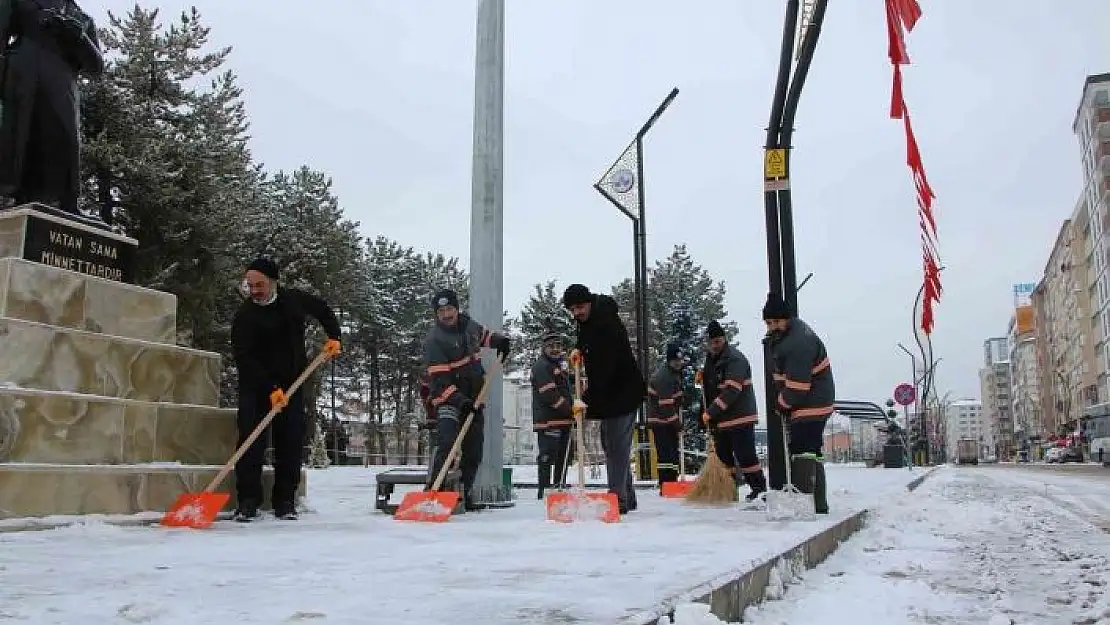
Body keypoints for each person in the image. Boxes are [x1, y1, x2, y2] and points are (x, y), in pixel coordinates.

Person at [231, 257, 341, 521]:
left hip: (293, 383)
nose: (255, 290)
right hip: (256, 387)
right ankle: (248, 501)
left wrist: (334, 336)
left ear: (273, 282)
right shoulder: (245, 316)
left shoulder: (293, 300)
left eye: (260, 284)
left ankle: (285, 502)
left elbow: (323, 309)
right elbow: (244, 357)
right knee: (250, 442)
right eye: (250, 285)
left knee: (290, 442)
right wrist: (270, 388)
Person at [0, 0, 106, 215]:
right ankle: (11, 195)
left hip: (63, 79)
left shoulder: (83, 18)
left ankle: (66, 201)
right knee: (20, 134)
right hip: (23, 71)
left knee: (67, 138)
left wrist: (79, 37)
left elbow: (96, 68)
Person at [422, 288, 511, 511]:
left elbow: (484, 336)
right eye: (441, 311)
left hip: (475, 396)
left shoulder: (468, 325)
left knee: (474, 448)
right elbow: (440, 382)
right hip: (448, 399)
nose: (446, 314)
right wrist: (461, 401)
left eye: (450, 308)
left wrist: (499, 341)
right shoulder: (434, 341)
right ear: (436, 314)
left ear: (457, 308)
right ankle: (434, 491)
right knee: (447, 443)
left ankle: (464, 491)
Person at [562, 283, 646, 515]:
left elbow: (604, 370)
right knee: (611, 444)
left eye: (579, 307)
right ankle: (626, 496)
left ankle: (617, 498)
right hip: (610, 393)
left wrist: (585, 399)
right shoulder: (589, 322)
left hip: (623, 392)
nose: (576, 313)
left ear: (589, 303)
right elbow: (587, 343)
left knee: (616, 447)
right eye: (572, 309)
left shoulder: (606, 326)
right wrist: (578, 349)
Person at [763, 292, 835, 514]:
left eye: (776, 321)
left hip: (812, 402)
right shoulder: (787, 336)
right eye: (768, 322)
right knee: (812, 450)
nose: (772, 326)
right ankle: (818, 505)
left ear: (787, 318)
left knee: (803, 449)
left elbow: (797, 386)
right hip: (811, 400)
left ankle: (804, 504)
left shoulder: (797, 343)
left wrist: (782, 404)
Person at [700, 321, 767, 503]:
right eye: (713, 341)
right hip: (722, 420)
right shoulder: (711, 360)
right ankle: (728, 490)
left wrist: (711, 412)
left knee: (746, 456)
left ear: (724, 339)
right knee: (724, 458)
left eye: (719, 340)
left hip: (740, 417)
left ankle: (759, 489)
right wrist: (704, 378)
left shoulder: (735, 359)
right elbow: (713, 387)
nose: (716, 344)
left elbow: (732, 390)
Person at [530, 330, 575, 498]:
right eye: (551, 346)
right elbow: (550, 395)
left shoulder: (558, 367)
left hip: (563, 421)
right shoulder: (542, 367)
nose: (555, 349)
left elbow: (567, 387)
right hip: (549, 421)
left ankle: (559, 487)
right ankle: (544, 490)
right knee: (548, 456)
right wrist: (570, 411)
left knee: (563, 458)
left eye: (558, 346)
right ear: (544, 348)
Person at [648, 343, 686, 488]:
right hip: (661, 421)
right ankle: (666, 483)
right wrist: (678, 425)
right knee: (666, 455)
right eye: (675, 360)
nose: (678, 363)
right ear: (669, 360)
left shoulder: (674, 374)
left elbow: (674, 397)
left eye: (680, 360)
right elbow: (666, 406)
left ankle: (672, 481)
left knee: (672, 453)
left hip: (667, 420)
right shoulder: (663, 377)